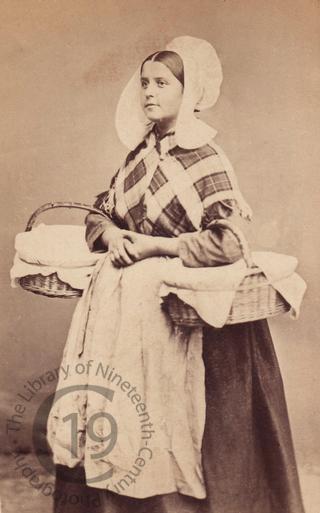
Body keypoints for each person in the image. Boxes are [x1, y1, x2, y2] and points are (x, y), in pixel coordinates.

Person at [47, 36, 305, 513]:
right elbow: (98, 214)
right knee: (127, 415)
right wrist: (112, 238)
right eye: (144, 83)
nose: (149, 92)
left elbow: (227, 243)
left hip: (193, 324)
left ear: (190, 92)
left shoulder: (206, 158)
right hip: (131, 322)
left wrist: (155, 246)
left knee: (191, 430)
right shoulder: (137, 158)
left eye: (162, 83)